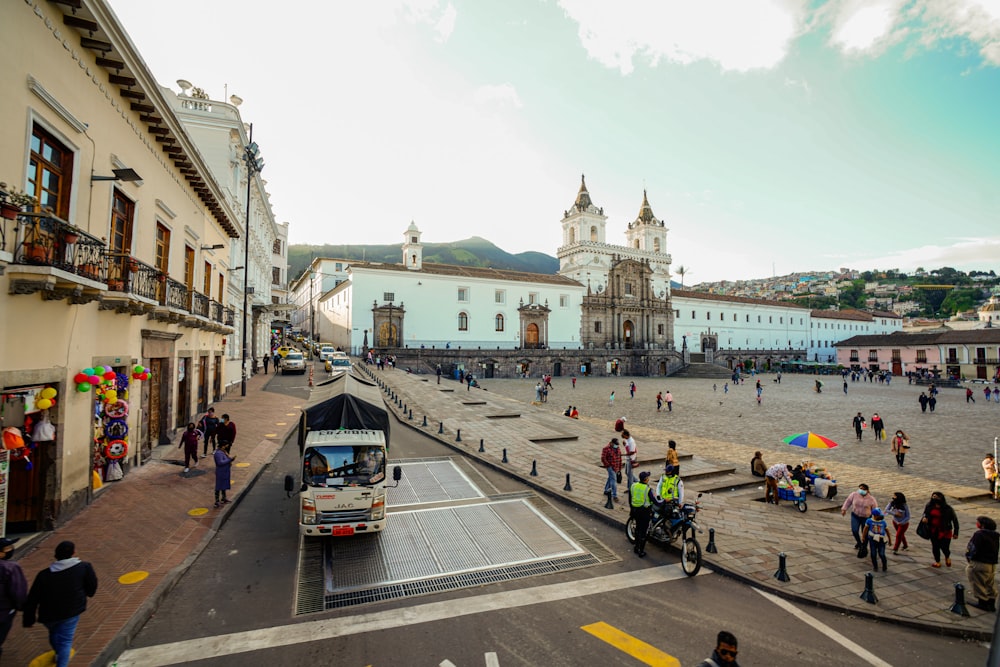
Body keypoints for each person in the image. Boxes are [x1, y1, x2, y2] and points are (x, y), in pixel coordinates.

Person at [23, 540, 98, 667]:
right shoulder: (84, 567)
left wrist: (28, 619)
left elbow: (33, 598)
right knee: (65, 641)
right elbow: (92, 585)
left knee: (54, 633)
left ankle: (58, 652)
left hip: (48, 615)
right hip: (71, 611)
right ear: (74, 553)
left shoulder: (44, 575)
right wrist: (88, 594)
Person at [0, 537, 27, 661]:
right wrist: (20, 606)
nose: (11, 550)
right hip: (3, 612)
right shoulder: (10, 568)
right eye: (8, 548)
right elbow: (18, 591)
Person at [966, 516, 999, 612]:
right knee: (989, 583)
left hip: (980, 563)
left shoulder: (979, 534)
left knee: (977, 582)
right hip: (991, 564)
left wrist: (969, 556)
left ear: (982, 525)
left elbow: (973, 548)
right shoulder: (995, 535)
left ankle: (983, 602)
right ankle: (991, 602)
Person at [919, 491, 960, 568]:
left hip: (945, 531)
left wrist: (956, 532)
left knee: (945, 547)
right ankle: (937, 561)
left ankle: (947, 556)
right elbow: (925, 513)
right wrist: (925, 518)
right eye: (933, 496)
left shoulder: (948, 509)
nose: (934, 498)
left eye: (936, 497)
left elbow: (955, 520)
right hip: (933, 530)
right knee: (935, 546)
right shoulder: (929, 506)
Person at [841, 483, 878, 550]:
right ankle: (859, 542)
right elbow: (848, 501)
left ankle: (864, 546)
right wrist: (844, 509)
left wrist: (875, 519)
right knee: (854, 530)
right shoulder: (854, 495)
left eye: (864, 489)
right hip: (855, 515)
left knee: (865, 533)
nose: (862, 490)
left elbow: (875, 509)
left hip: (866, 518)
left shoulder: (871, 499)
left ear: (867, 490)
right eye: (860, 489)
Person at [630, 471, 654, 558]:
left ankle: (636, 547)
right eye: (648, 477)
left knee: (638, 529)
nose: (648, 479)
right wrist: (663, 501)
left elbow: (630, 498)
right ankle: (641, 551)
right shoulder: (647, 489)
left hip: (635, 511)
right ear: (646, 479)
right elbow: (655, 501)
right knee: (644, 532)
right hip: (644, 512)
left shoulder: (633, 486)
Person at [213, 442, 236, 508]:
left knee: (223, 485)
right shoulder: (218, 453)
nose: (226, 447)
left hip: (225, 471)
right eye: (226, 445)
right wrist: (229, 460)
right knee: (219, 486)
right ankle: (216, 501)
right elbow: (220, 462)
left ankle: (224, 498)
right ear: (222, 446)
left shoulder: (223, 452)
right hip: (221, 472)